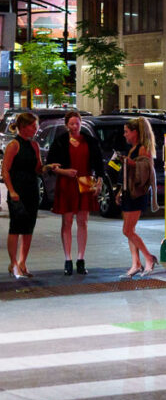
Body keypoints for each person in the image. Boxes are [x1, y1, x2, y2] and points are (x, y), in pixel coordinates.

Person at [47, 111, 103, 276]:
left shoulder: (89, 141)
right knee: (67, 221)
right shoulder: (60, 141)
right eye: (71, 124)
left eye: (77, 123)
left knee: (83, 221)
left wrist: (98, 180)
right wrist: (64, 171)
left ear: (80, 123)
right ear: (66, 125)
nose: (75, 126)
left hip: (85, 181)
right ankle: (68, 259)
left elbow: (98, 163)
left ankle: (81, 258)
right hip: (66, 183)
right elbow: (51, 165)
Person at [117, 117, 158, 278]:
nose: (124, 135)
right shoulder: (133, 149)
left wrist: (131, 163)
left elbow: (145, 170)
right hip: (129, 192)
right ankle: (136, 263)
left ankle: (149, 257)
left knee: (127, 230)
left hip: (137, 194)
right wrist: (120, 191)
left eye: (126, 132)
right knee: (130, 231)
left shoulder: (142, 149)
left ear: (135, 132)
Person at [4, 112, 41, 279]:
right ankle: (13, 263)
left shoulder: (34, 146)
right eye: (33, 126)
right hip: (17, 192)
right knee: (16, 228)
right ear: (24, 127)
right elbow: (5, 170)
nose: (36, 129)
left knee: (28, 229)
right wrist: (11, 190)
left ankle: (22, 262)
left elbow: (38, 168)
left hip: (32, 190)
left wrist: (49, 168)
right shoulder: (14, 145)